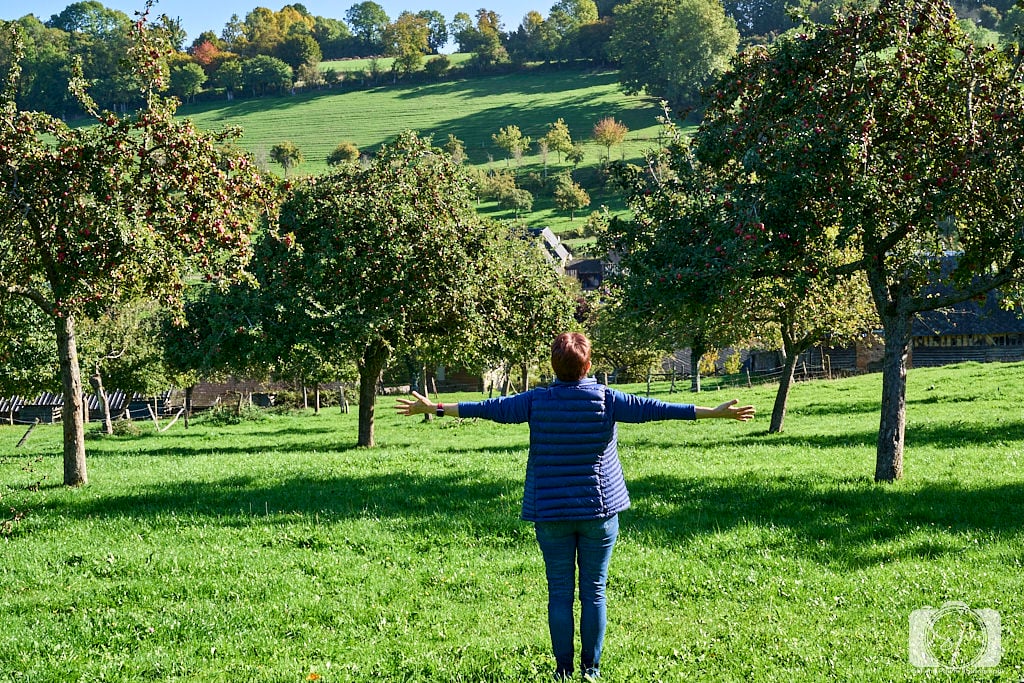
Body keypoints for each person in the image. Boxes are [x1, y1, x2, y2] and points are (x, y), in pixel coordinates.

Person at [395, 332, 755, 680]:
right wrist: (715, 413)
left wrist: (435, 407)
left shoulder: (536, 401)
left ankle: (563, 671)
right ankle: (591, 672)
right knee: (594, 591)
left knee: (560, 593)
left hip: (551, 514)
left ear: (554, 365)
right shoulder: (607, 399)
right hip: (599, 511)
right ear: (588, 365)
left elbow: (486, 408)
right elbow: (659, 409)